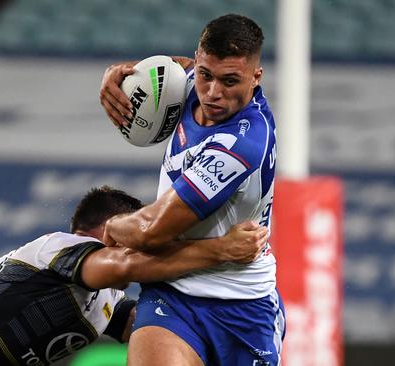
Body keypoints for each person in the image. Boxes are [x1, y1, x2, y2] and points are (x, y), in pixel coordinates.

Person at [0, 186, 268, 366]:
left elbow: (152, 325)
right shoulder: (56, 248)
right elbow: (127, 265)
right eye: (128, 236)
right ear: (107, 231)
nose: (137, 246)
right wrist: (217, 251)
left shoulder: (106, 301)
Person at [99, 14, 284, 366]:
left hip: (243, 306)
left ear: (256, 77)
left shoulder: (241, 143)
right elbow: (172, 67)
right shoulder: (189, 82)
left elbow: (150, 231)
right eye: (205, 75)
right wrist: (122, 74)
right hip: (172, 294)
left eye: (230, 81)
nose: (213, 92)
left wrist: (113, 226)